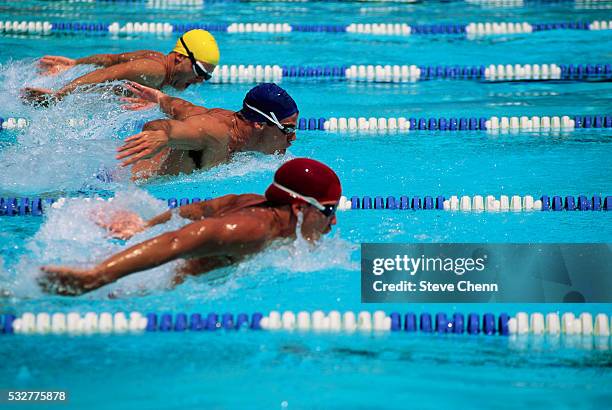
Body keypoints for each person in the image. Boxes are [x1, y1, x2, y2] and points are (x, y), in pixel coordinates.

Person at [39, 158, 342, 296]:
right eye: (329, 211)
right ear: (300, 208)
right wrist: (98, 276)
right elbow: (177, 242)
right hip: (138, 289)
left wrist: (144, 226)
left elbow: (201, 209)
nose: (334, 221)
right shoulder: (252, 228)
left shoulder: (253, 202)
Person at [116, 82, 299, 180]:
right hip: (118, 183)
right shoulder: (216, 133)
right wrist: (161, 134)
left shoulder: (232, 127)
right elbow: (166, 127)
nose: (293, 138)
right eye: (288, 129)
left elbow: (185, 108)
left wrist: (160, 97)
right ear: (259, 124)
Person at [22, 29, 219, 105]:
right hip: (85, 98)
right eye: (199, 71)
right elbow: (104, 74)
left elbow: (111, 59)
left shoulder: (156, 58)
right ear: (179, 58)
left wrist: (74, 63)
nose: (200, 80)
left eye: (206, 77)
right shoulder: (154, 71)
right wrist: (59, 95)